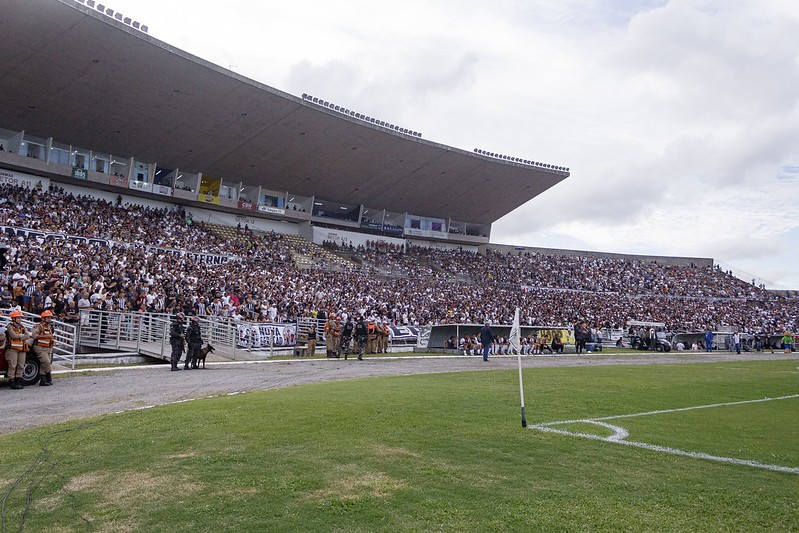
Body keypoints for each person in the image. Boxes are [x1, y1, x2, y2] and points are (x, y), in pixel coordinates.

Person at [5, 309, 30, 389]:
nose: (20, 319)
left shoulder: (22, 327)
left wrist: (19, 335)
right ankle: (12, 381)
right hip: (12, 349)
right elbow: (13, 336)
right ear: (13, 319)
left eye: (20, 318)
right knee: (12, 365)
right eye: (18, 318)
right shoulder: (9, 326)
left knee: (21, 365)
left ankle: (18, 380)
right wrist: (21, 336)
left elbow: (27, 335)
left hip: (22, 349)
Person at [30, 309, 55, 385]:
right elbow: (34, 335)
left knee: (43, 364)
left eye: (50, 317)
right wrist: (47, 336)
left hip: (48, 347)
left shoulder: (50, 327)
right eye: (48, 317)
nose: (50, 319)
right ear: (43, 318)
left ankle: (43, 380)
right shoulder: (38, 326)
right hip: (39, 347)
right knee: (46, 362)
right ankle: (48, 376)